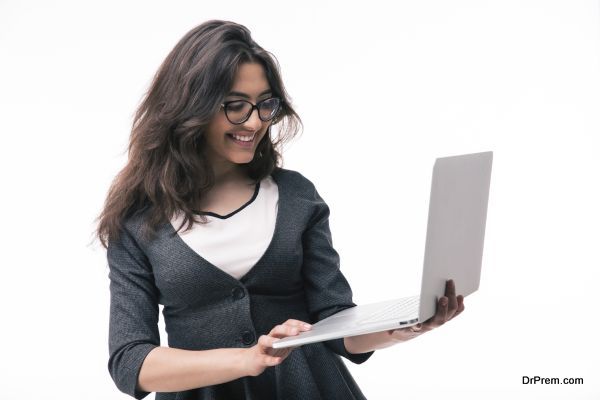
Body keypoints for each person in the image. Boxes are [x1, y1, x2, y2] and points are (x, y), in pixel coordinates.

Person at [95, 20, 464, 400]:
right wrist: (246, 359)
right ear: (190, 108)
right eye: (235, 106)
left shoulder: (296, 196)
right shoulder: (137, 220)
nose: (255, 122)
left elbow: (335, 321)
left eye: (265, 104)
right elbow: (130, 362)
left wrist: (404, 326)